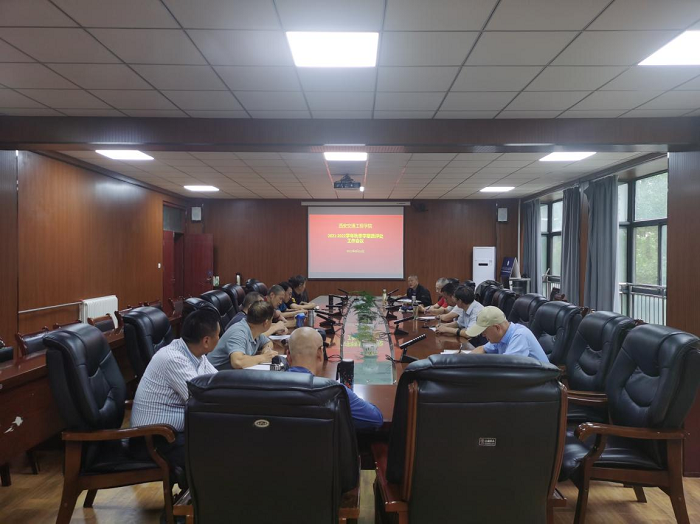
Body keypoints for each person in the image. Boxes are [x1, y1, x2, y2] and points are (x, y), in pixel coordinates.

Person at [130, 309, 220, 477]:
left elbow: (218, 381)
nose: (219, 339)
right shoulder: (173, 359)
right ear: (206, 341)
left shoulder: (196, 353)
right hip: (152, 440)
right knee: (221, 448)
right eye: (218, 335)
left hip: (172, 435)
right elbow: (203, 401)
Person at [286, 327, 383, 430]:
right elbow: (375, 420)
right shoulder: (335, 391)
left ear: (288, 355)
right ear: (320, 354)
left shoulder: (272, 386)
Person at [207, 301, 278, 370]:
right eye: (271, 320)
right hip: (214, 375)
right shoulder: (239, 332)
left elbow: (268, 342)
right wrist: (263, 357)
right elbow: (237, 362)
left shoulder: (254, 330)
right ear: (266, 323)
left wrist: (266, 350)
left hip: (231, 373)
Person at [466, 306, 549, 364]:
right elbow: (482, 348)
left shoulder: (520, 335)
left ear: (497, 328)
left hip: (542, 381)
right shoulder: (500, 336)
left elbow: (506, 367)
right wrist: (464, 361)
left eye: (484, 331)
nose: (483, 335)